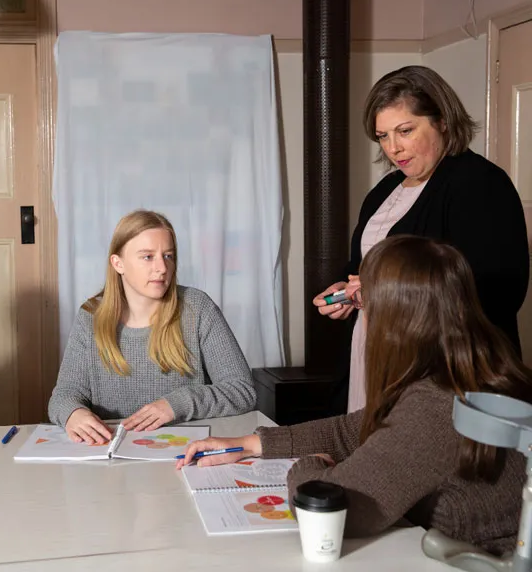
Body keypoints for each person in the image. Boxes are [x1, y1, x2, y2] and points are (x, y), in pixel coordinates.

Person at [180, 236, 530, 555]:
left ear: (396, 321)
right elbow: (356, 429)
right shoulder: (469, 370)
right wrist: (252, 444)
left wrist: (311, 465)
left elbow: (338, 510)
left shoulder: (436, 406)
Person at [314, 65, 529, 412]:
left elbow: (495, 291)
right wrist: (345, 291)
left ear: (442, 120)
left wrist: (382, 294)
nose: (394, 148)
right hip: (378, 352)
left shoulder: (480, 184)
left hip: (444, 373)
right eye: (383, 136)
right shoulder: (384, 190)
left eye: (405, 130)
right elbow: (364, 267)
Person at [48, 210, 256, 444]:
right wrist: (73, 414)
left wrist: (175, 404)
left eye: (168, 256)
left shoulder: (198, 308)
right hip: (110, 457)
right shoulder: (91, 316)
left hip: (182, 452)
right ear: (118, 263)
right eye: (148, 257)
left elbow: (242, 391)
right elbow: (64, 395)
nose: (162, 268)